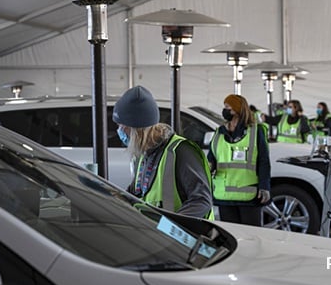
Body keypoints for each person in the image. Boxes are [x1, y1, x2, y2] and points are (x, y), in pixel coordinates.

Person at [112, 85, 214, 219]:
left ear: (137, 131)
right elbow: (136, 194)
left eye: (122, 127)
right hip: (155, 236)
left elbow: (202, 201)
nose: (119, 131)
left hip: (181, 237)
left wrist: (171, 225)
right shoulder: (143, 155)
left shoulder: (181, 152)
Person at [208, 94, 271, 226]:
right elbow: (211, 160)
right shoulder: (219, 132)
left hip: (248, 195)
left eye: (227, 107)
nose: (225, 110)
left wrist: (265, 187)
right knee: (230, 235)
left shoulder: (255, 132)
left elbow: (263, 162)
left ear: (237, 109)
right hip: (224, 195)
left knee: (251, 235)